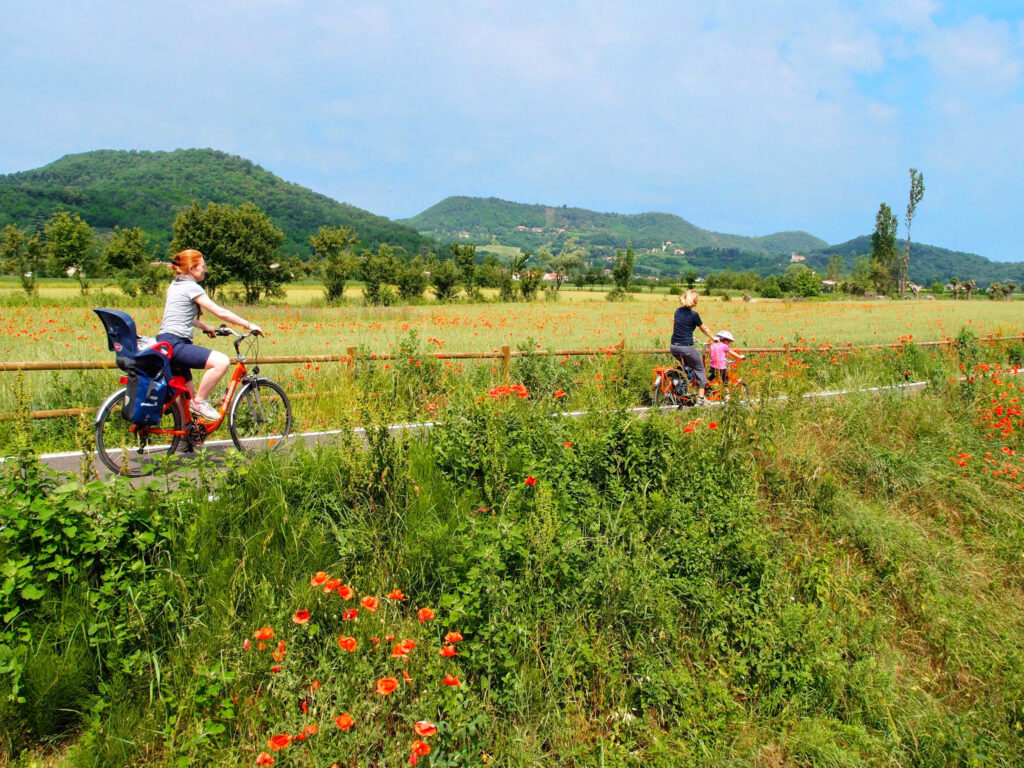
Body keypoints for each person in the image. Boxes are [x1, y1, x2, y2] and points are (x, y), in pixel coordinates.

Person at [157, 249, 263, 421]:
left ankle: (186, 440)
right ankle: (200, 402)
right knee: (221, 362)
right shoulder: (191, 287)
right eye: (203, 267)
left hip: (165, 342)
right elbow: (219, 311)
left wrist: (204, 326)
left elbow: (181, 316)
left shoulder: (175, 284)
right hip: (176, 344)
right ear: (191, 268)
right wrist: (248, 324)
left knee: (186, 396)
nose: (205, 270)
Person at [670, 289, 715, 406]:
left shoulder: (677, 311)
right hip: (687, 347)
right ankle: (701, 399)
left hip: (674, 346)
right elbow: (703, 328)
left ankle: (681, 391)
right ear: (695, 301)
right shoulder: (694, 315)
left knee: (686, 368)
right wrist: (713, 338)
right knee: (700, 369)